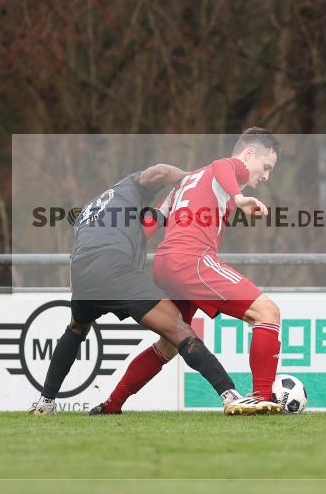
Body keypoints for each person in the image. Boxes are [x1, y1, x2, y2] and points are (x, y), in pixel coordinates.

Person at [30, 163, 268, 415]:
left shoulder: (90, 210)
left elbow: (147, 223)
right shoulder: (128, 186)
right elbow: (160, 172)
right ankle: (230, 395)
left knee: (76, 329)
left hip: (80, 273)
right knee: (179, 330)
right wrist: (192, 179)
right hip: (114, 268)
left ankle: (46, 402)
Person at [91, 128, 284, 415]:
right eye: (266, 166)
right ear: (248, 154)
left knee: (169, 345)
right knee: (267, 312)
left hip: (166, 263)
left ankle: (111, 405)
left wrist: (121, 252)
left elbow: (154, 219)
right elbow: (223, 165)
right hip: (191, 260)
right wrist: (238, 197)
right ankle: (263, 399)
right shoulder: (228, 169)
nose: (266, 176)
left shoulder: (188, 180)